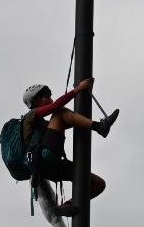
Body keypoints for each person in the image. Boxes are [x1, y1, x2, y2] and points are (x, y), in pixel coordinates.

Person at [21, 79, 119, 217]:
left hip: (49, 168)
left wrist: (77, 116)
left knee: (98, 184)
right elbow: (55, 108)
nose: (51, 99)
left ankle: (67, 205)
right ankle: (100, 127)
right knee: (60, 111)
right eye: (47, 97)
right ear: (37, 100)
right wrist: (77, 90)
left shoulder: (43, 124)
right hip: (43, 157)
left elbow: (67, 120)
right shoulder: (30, 116)